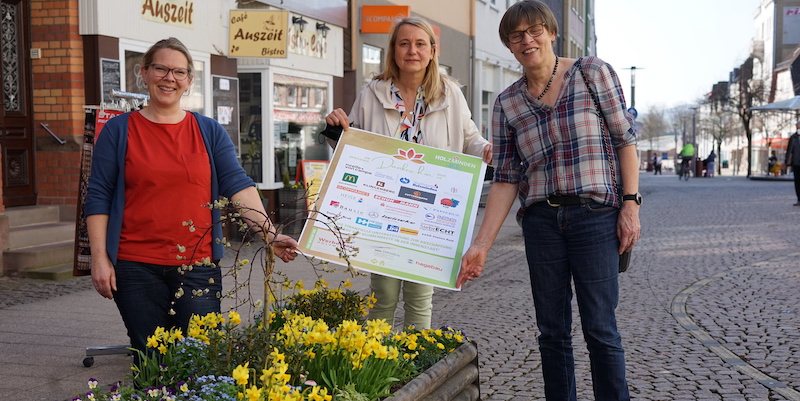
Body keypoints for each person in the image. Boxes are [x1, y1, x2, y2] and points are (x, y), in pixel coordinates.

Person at [457, 1, 638, 399]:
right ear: (508, 45)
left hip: (595, 216)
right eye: (517, 35)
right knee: (552, 332)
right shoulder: (507, 103)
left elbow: (625, 140)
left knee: (600, 328)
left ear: (552, 33)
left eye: (535, 30)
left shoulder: (592, 73)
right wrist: (481, 246)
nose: (528, 40)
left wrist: (630, 205)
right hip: (542, 223)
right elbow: (506, 179)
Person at [84, 37, 299, 356]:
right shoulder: (118, 131)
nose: (169, 78)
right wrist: (100, 259)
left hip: (197, 265)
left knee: (199, 356)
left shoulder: (209, 131)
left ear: (189, 81)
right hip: (135, 265)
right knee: (151, 357)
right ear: (143, 73)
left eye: (178, 71)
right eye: (160, 68)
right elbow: (99, 196)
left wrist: (269, 234)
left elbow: (238, 185)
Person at [323, 17, 492, 329]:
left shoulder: (450, 94)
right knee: (383, 293)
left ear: (432, 51)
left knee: (419, 294)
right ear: (394, 50)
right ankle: (376, 366)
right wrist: (337, 128)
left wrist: (485, 150)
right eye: (404, 43)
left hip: (429, 210)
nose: (412, 50)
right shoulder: (372, 92)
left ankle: (416, 368)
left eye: (419, 44)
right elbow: (355, 143)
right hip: (384, 209)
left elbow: (469, 138)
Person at [785, 120, 800, 206]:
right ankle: (799, 199)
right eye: (797, 126)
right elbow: (789, 150)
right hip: (796, 163)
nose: (798, 128)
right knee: (797, 182)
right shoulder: (793, 137)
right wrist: (787, 162)